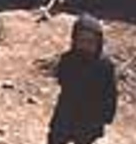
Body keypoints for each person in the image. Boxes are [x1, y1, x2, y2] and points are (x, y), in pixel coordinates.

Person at [48, 14, 118, 144]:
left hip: (90, 115)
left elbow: (110, 93)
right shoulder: (68, 59)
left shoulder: (104, 65)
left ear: (98, 42)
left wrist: (106, 116)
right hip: (67, 110)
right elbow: (62, 79)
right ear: (74, 40)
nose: (86, 45)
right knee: (56, 138)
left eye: (90, 42)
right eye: (82, 41)